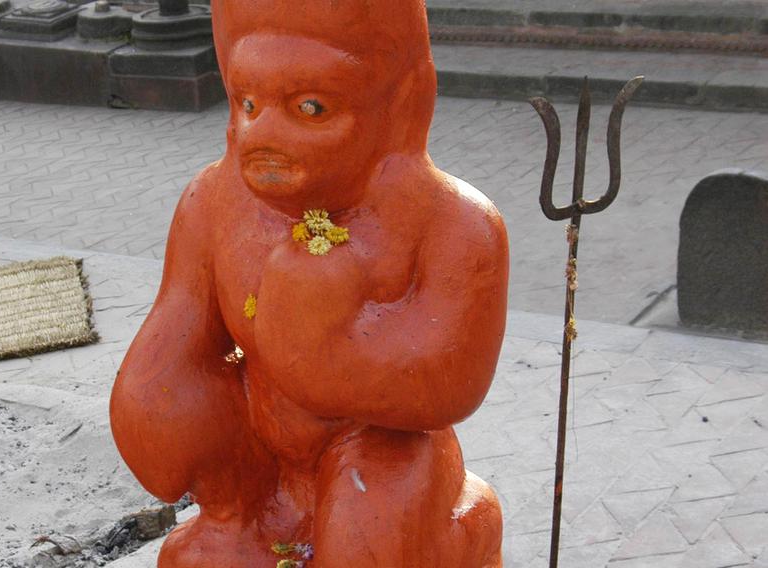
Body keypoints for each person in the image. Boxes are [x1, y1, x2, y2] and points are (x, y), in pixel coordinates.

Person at [110, 2, 508, 565]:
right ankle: (237, 523)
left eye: (311, 108)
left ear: (399, 107)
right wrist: (156, 404)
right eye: (249, 104)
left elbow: (453, 382)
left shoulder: (455, 224)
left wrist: (329, 352)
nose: (263, 134)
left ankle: (453, 529)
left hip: (380, 451)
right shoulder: (214, 203)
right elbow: (180, 325)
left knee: (370, 523)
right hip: (258, 453)